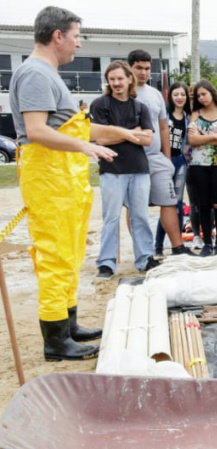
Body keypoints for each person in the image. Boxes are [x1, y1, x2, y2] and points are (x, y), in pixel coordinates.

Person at [10, 6, 145, 360]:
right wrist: (87, 147)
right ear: (58, 36)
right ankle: (56, 341)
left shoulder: (48, 74)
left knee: (70, 252)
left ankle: (68, 325)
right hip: (49, 177)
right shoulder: (36, 74)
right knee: (55, 255)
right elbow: (37, 131)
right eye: (76, 36)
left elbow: (74, 126)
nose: (78, 44)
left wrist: (118, 132)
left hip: (64, 178)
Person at [92, 61, 158, 279]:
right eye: (112, 79)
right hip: (111, 169)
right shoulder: (100, 104)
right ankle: (106, 263)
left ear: (130, 79)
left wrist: (117, 134)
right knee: (111, 217)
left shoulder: (141, 107)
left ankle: (145, 258)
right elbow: (100, 138)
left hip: (139, 169)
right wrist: (132, 133)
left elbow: (148, 139)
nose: (116, 83)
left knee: (140, 215)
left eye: (120, 78)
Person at [128, 50, 190, 258]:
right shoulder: (122, 93)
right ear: (130, 68)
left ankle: (178, 246)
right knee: (135, 206)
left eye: (147, 68)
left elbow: (164, 128)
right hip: (132, 158)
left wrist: (166, 157)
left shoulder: (155, 94)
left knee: (169, 201)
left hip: (156, 157)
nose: (144, 72)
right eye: (139, 68)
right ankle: (142, 251)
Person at [187, 79, 217, 257]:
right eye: (198, 95)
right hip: (198, 165)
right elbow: (192, 140)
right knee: (203, 205)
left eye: (204, 94)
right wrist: (216, 136)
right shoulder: (196, 114)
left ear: (212, 93)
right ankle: (207, 243)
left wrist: (203, 136)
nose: (202, 98)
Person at [157, 82, 193, 256]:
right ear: (170, 96)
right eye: (176, 94)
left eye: (182, 95)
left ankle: (178, 246)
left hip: (180, 162)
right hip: (164, 160)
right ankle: (158, 246)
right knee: (166, 203)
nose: (179, 98)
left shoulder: (188, 117)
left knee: (177, 204)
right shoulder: (164, 115)